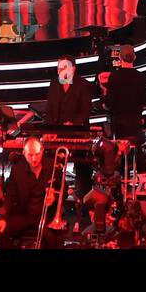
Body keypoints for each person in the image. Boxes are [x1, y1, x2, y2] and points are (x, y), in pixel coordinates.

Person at [0, 136, 62, 248]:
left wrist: (54, 198)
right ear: (23, 153)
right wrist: (3, 219)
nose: (34, 159)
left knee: (54, 239)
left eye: (37, 154)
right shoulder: (17, 170)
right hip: (24, 216)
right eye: (30, 155)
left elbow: (63, 192)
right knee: (0, 231)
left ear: (42, 151)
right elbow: (10, 197)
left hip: (46, 217)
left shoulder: (54, 166)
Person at [46, 55, 95, 202]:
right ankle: (55, 196)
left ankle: (83, 199)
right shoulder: (54, 84)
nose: (60, 71)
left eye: (63, 68)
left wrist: (73, 123)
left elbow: (85, 111)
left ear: (73, 69)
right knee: (50, 163)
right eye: (58, 68)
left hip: (77, 132)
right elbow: (49, 110)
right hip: (57, 131)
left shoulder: (84, 85)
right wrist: (50, 129)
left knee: (82, 166)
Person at [100, 45, 146, 157]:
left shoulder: (114, 77)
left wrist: (103, 92)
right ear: (134, 57)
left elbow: (109, 104)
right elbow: (145, 101)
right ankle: (136, 162)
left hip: (119, 126)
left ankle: (119, 166)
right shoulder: (142, 77)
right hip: (136, 124)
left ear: (120, 58)